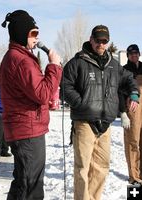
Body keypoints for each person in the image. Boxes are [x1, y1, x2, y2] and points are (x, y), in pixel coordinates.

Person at [60, 25, 139, 200]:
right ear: (91, 39)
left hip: (105, 124)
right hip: (84, 123)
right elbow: (65, 87)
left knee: (101, 168)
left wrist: (134, 93)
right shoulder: (77, 62)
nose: (101, 44)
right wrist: (82, 104)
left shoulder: (113, 65)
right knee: (82, 168)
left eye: (104, 41)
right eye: (98, 40)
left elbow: (128, 78)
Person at [0, 10, 62, 200]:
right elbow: (42, 94)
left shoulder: (16, 58)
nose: (37, 38)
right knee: (30, 186)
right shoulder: (21, 61)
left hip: (24, 128)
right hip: (27, 131)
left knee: (22, 182)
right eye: (33, 33)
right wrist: (54, 66)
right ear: (21, 34)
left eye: (37, 33)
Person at [122, 44, 142, 185]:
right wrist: (123, 111)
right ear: (128, 55)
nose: (134, 55)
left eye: (136, 53)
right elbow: (120, 91)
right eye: (131, 53)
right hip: (133, 108)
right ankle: (134, 175)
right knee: (132, 140)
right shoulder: (124, 70)